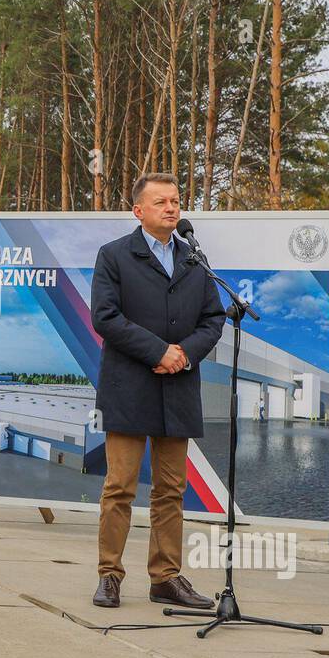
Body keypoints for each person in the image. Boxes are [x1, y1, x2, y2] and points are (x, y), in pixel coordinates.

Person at [89, 173, 226, 609]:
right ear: (139, 211)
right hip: (130, 386)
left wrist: (184, 353)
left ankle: (165, 577)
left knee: (171, 490)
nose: (171, 207)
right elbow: (105, 318)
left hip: (178, 387)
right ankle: (110, 574)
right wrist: (158, 351)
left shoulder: (194, 261)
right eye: (161, 201)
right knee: (120, 487)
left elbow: (214, 319)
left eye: (175, 200)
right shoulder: (113, 256)